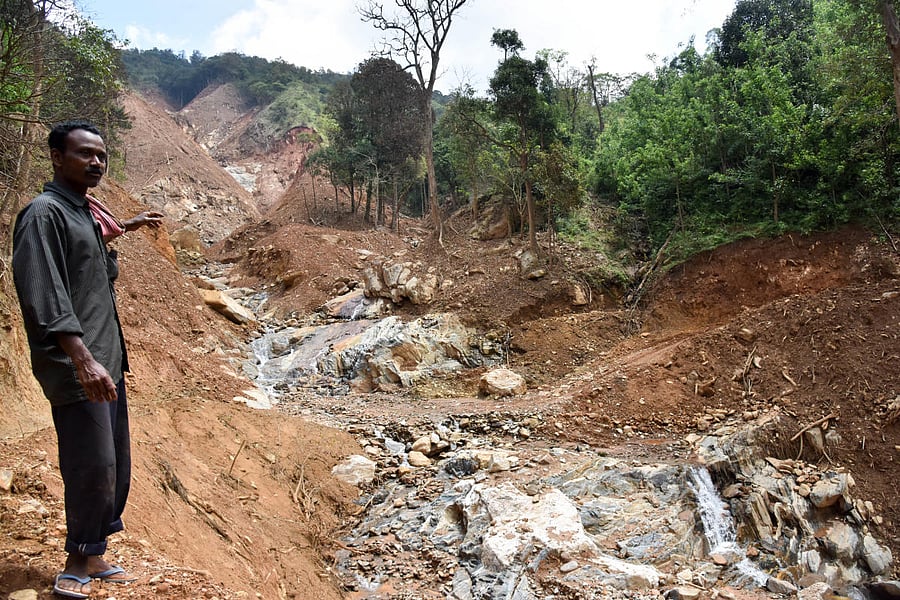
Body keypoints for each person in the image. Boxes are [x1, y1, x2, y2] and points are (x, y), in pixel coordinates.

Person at [12, 120, 163, 598]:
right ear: (57, 157)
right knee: (90, 462)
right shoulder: (44, 213)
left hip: (105, 360)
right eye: (84, 154)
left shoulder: (84, 214)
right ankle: (75, 560)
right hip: (78, 366)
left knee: (115, 460)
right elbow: (45, 292)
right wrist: (82, 359)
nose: (96, 162)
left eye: (101, 155)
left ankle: (94, 551)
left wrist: (123, 232)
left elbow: (89, 271)